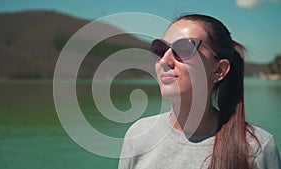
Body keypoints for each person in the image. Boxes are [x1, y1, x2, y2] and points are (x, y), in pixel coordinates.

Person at [118, 14, 281, 169]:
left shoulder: (256, 147)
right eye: (160, 50)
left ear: (219, 70)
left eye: (183, 49)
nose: (164, 61)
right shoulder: (139, 135)